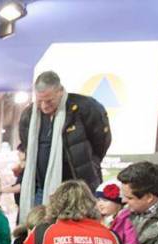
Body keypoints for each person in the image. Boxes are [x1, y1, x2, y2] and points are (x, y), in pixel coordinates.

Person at [18, 71, 111, 223]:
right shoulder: (29, 115)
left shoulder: (86, 108)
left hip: (77, 190)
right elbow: (25, 145)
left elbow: (101, 142)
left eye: (49, 101)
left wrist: (89, 163)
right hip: (41, 190)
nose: (44, 106)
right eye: (40, 100)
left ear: (60, 91)